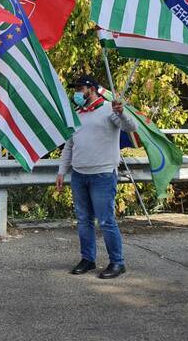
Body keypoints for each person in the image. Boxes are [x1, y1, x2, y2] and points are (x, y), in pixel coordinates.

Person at [56, 75, 136, 280]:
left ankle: (117, 262)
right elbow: (69, 145)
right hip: (79, 174)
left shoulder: (110, 108)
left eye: (80, 88)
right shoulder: (78, 114)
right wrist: (61, 171)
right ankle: (88, 259)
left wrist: (123, 113)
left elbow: (131, 127)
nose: (77, 93)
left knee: (106, 221)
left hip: (103, 174)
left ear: (91, 89)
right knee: (83, 221)